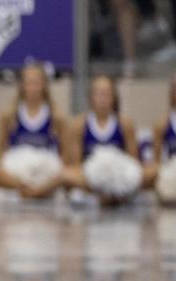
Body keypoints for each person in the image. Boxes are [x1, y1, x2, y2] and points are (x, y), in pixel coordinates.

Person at [61, 75, 144, 205]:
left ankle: (106, 196)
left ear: (114, 97)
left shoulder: (126, 124)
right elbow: (75, 164)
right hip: (89, 177)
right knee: (65, 174)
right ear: (91, 98)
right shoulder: (79, 125)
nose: (103, 98)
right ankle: (108, 197)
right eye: (99, 94)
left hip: (118, 177)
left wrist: (117, 174)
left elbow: (133, 163)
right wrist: (94, 174)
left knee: (152, 172)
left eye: (107, 94)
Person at [0, 62, 68, 200]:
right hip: (17, 175)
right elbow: (0, 153)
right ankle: (26, 191)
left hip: (45, 174)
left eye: (37, 83)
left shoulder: (56, 116)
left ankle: (37, 193)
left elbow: (64, 156)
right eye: (29, 83)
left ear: (44, 86)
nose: (33, 88)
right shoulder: (9, 115)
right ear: (22, 86)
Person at [146, 73, 176, 204]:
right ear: (173, 94)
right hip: (172, 172)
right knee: (150, 173)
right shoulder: (162, 124)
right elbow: (156, 162)